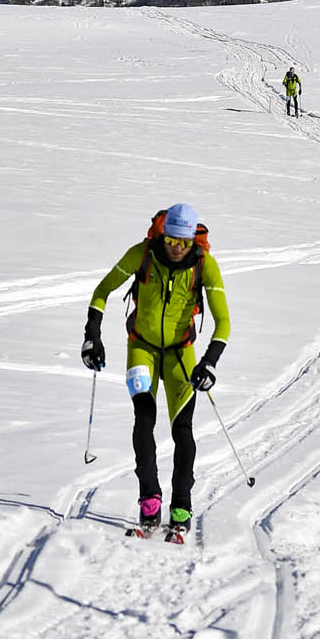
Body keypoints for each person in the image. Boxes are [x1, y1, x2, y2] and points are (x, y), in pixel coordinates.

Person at [81, 202, 230, 539]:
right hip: (142, 348)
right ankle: (149, 502)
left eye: (184, 243)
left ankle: (181, 507)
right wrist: (92, 335)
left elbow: (223, 322)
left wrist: (209, 361)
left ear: (193, 240)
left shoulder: (204, 264)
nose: (177, 248)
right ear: (162, 235)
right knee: (144, 418)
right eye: (171, 241)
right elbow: (102, 291)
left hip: (181, 354)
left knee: (182, 429)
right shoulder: (142, 254)